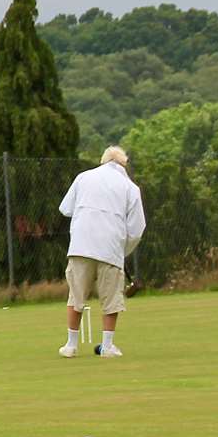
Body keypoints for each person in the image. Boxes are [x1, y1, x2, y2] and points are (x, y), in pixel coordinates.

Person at [58, 146, 146, 359]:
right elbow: (136, 229)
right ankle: (107, 346)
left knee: (76, 295)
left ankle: (71, 346)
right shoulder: (130, 188)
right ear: (123, 164)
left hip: (81, 244)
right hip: (110, 249)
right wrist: (122, 251)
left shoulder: (83, 177)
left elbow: (66, 209)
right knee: (111, 299)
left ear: (103, 160)